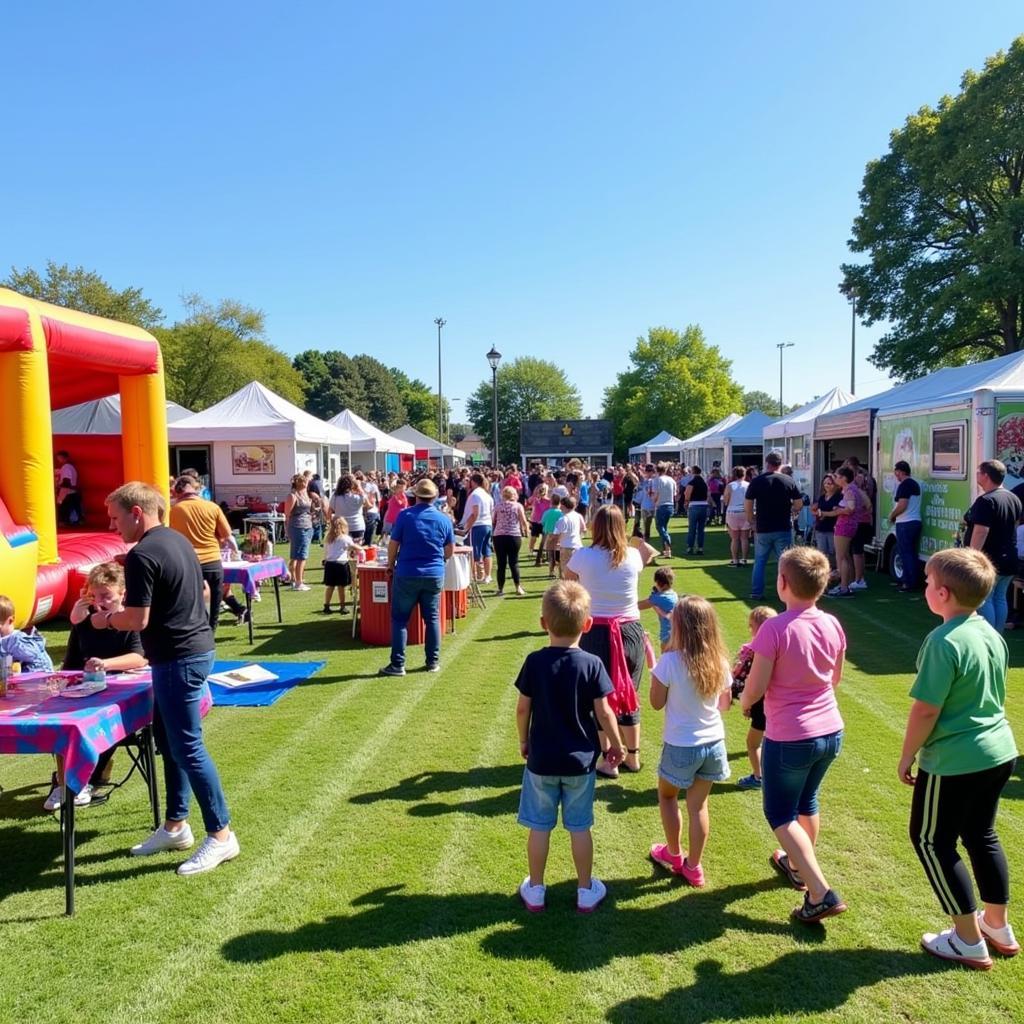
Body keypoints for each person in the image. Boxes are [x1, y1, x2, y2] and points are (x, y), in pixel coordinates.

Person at [103, 481, 238, 876]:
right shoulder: (177, 541)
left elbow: (135, 620)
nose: (113, 527)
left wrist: (104, 619)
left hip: (179, 658)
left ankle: (221, 835)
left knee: (187, 748)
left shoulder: (143, 554)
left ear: (137, 514)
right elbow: (199, 591)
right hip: (189, 651)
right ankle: (176, 825)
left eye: (115, 519)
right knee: (170, 743)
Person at [899, 548, 1019, 969]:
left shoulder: (942, 640)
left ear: (944, 594)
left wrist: (907, 756)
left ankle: (968, 939)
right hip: (1000, 752)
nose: (925, 589)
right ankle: (996, 925)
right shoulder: (991, 632)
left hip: (956, 760)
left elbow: (926, 709)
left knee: (931, 841)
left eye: (928, 583)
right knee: (981, 834)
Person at [740, 546, 847, 923]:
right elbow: (836, 677)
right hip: (830, 729)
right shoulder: (832, 623)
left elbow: (757, 684)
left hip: (791, 735)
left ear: (783, 583)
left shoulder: (775, 628)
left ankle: (819, 891)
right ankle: (799, 867)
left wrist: (746, 703)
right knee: (807, 801)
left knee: (780, 812)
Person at [514, 580, 625, 913]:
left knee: (539, 826)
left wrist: (523, 739)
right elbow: (605, 711)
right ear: (587, 625)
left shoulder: (535, 662)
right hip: (581, 762)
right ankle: (585, 888)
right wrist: (617, 745)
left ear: (543, 623)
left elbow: (523, 708)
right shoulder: (591, 664)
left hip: (542, 760)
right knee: (580, 827)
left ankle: (535, 888)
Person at [564, 505, 657, 777]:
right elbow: (648, 553)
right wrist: (636, 539)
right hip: (630, 630)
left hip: (596, 630)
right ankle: (633, 756)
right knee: (629, 694)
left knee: (598, 697)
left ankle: (609, 757)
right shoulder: (632, 556)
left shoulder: (584, 556)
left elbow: (568, 582)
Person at [648, 596, 732, 886]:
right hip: (714, 742)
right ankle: (693, 867)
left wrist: (656, 673)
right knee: (699, 806)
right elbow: (725, 704)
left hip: (682, 744)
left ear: (680, 626)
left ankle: (673, 854)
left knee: (668, 796)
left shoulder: (670, 661)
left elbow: (656, 703)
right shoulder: (719, 662)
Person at [53, 562, 148, 809]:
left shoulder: (129, 621)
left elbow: (139, 657)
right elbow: (71, 663)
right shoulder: (84, 622)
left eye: (106, 595)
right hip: (85, 690)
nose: (100, 601)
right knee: (61, 721)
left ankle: (83, 778)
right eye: (95, 596)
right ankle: (64, 782)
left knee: (101, 721)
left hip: (117, 693)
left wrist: (105, 663)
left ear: (122, 594)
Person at [379, 478, 454, 677]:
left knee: (400, 619)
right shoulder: (443, 519)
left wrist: (390, 565)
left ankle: (398, 664)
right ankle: (432, 661)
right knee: (432, 619)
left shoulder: (405, 516)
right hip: (433, 573)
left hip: (407, 573)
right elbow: (449, 550)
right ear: (434, 497)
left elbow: (393, 544)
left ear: (416, 496)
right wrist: (439, 560)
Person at [169, 475, 234, 628]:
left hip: (188, 562)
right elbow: (226, 534)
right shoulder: (212, 507)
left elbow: (170, 536)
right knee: (215, 604)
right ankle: (211, 634)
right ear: (197, 490)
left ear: (178, 492)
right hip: (212, 560)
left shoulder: (174, 510)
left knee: (191, 605)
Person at [965, 459, 1022, 633]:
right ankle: (997, 636)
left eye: (978, 472)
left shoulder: (986, 500)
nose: (976, 476)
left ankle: (989, 636)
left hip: (990, 560)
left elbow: (981, 531)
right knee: (1000, 598)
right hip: (1009, 557)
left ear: (986, 476)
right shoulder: (1013, 498)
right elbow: (1015, 523)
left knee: (986, 598)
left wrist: (972, 558)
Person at [729, 605, 778, 791]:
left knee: (752, 743)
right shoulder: (782, 646)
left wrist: (745, 703)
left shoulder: (754, 652)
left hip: (761, 705)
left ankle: (759, 777)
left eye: (751, 626)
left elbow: (746, 680)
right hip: (779, 704)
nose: (749, 629)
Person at [744, 452, 802, 600]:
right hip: (782, 526)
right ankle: (785, 592)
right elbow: (798, 503)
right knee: (784, 563)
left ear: (766, 462)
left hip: (763, 527)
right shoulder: (788, 480)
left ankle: (757, 592)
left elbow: (748, 504)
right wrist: (793, 511)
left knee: (760, 561)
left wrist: (751, 522)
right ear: (780, 463)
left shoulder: (757, 481)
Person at [826, 466, 866, 598]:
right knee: (846, 557)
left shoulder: (849, 490)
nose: (835, 479)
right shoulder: (852, 490)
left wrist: (838, 510)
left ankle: (844, 587)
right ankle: (845, 585)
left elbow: (850, 509)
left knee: (841, 557)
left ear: (844, 478)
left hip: (845, 526)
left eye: (837, 477)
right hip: (850, 525)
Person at [283, 473, 323, 592]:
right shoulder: (292, 496)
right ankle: (298, 582)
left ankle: (296, 579)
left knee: (300, 554)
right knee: (300, 555)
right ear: (299, 483)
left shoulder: (306, 495)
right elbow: (287, 515)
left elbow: (310, 508)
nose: (307, 484)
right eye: (304, 482)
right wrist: (287, 530)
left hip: (307, 525)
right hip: (297, 526)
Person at [889, 459, 922, 592]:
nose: (895, 475)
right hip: (915, 521)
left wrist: (892, 515)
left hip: (905, 523)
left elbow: (902, 505)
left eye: (896, 472)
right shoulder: (914, 484)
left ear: (900, 472)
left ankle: (908, 583)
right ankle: (910, 580)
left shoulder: (904, 485)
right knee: (911, 553)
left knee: (906, 553)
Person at [493, 485, 529, 597]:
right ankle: (518, 587)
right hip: (513, 535)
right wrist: (526, 531)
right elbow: (523, 521)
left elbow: (493, 520)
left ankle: (500, 589)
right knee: (514, 562)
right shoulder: (518, 506)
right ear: (514, 495)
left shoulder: (498, 506)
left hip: (499, 536)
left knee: (501, 563)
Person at [0, 594, 53, 670]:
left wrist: (9, 650)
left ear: (10, 620)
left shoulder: (18, 640)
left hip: (38, 674)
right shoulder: (5, 641)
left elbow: (33, 654)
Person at [322, 515, 362, 614]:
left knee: (330, 586)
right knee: (341, 586)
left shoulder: (328, 538)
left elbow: (327, 551)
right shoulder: (345, 538)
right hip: (341, 564)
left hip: (330, 564)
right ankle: (342, 606)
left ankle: (326, 605)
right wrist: (361, 548)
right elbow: (353, 547)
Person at [461, 472, 495, 584]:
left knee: (473, 551)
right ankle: (487, 575)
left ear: (473, 482)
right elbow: (491, 512)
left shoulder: (475, 495)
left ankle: (475, 575)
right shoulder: (487, 495)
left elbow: (475, 513)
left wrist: (467, 527)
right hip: (487, 524)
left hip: (477, 525)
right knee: (486, 551)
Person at [638, 566, 679, 652]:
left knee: (666, 660)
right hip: (677, 633)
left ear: (661, 584)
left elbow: (637, 606)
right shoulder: (673, 594)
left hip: (668, 636)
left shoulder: (659, 597)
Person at [811, 474, 841, 570]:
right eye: (825, 483)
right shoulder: (822, 497)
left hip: (834, 529)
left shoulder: (839, 497)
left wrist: (824, 513)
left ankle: (837, 572)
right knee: (822, 553)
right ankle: (825, 572)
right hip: (821, 528)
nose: (827, 485)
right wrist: (816, 513)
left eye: (830, 483)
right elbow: (817, 510)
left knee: (834, 553)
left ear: (835, 484)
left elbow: (837, 512)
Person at [724, 466, 751, 567]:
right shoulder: (748, 485)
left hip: (733, 512)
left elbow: (726, 500)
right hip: (745, 511)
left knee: (734, 539)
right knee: (745, 538)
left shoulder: (730, 485)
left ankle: (735, 560)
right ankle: (744, 559)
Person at [553, 495, 586, 577]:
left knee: (567, 571)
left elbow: (556, 534)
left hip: (566, 547)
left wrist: (556, 543)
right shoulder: (578, 516)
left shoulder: (563, 519)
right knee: (578, 571)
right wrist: (578, 535)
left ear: (563, 506)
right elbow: (584, 529)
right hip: (578, 546)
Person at [330, 474, 368, 542]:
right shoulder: (356, 498)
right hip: (357, 526)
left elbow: (331, 509)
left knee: (343, 550)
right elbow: (364, 497)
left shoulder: (335, 497)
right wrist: (359, 486)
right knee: (357, 549)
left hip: (341, 526)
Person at [652, 463, 677, 559]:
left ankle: (668, 540)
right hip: (670, 505)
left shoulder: (657, 480)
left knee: (659, 527)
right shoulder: (671, 480)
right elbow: (675, 493)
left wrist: (654, 500)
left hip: (661, 505)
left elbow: (656, 493)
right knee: (664, 527)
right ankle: (667, 551)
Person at [684, 465, 709, 555]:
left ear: (693, 472)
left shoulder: (692, 482)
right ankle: (700, 548)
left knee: (692, 528)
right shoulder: (704, 482)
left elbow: (687, 494)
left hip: (694, 505)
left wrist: (686, 503)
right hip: (704, 505)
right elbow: (708, 494)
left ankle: (690, 547)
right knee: (701, 529)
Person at [54, 450, 83, 526]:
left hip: (68, 493)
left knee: (64, 510)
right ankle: (77, 521)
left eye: (60, 458)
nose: (59, 460)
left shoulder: (66, 467)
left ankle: (65, 522)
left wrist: (58, 488)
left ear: (64, 458)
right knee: (76, 508)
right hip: (72, 492)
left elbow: (66, 481)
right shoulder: (69, 467)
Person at [538, 499, 564, 576]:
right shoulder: (561, 513)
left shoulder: (546, 512)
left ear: (551, 503)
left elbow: (542, 522)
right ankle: (561, 572)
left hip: (548, 534)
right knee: (559, 554)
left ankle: (551, 572)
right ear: (559, 504)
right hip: (559, 535)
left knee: (551, 554)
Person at [526, 483, 551, 558]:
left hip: (544, 522)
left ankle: (543, 551)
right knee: (533, 537)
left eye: (544, 489)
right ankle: (531, 550)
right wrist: (536, 492)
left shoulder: (549, 501)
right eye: (540, 488)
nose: (541, 490)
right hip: (535, 521)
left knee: (545, 538)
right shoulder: (534, 499)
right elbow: (528, 502)